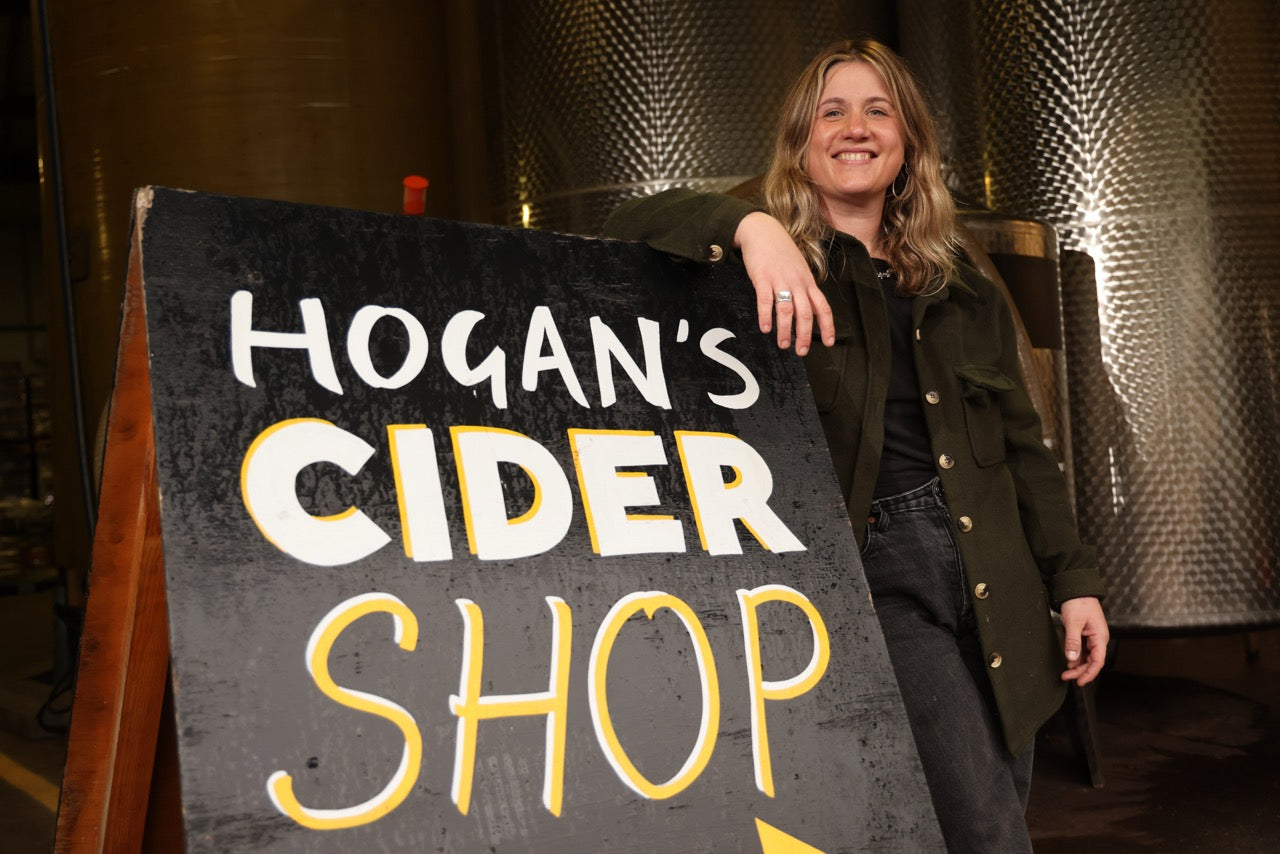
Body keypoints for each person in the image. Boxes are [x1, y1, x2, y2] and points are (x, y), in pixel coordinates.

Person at [603, 37, 1108, 853]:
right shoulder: (761, 269)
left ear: (907, 140)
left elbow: (1024, 450)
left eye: (879, 111)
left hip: (997, 566)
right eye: (831, 112)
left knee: (1001, 804)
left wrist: (1073, 583)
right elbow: (625, 224)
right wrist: (753, 227)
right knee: (984, 826)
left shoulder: (962, 285)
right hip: (881, 572)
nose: (856, 128)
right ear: (802, 140)